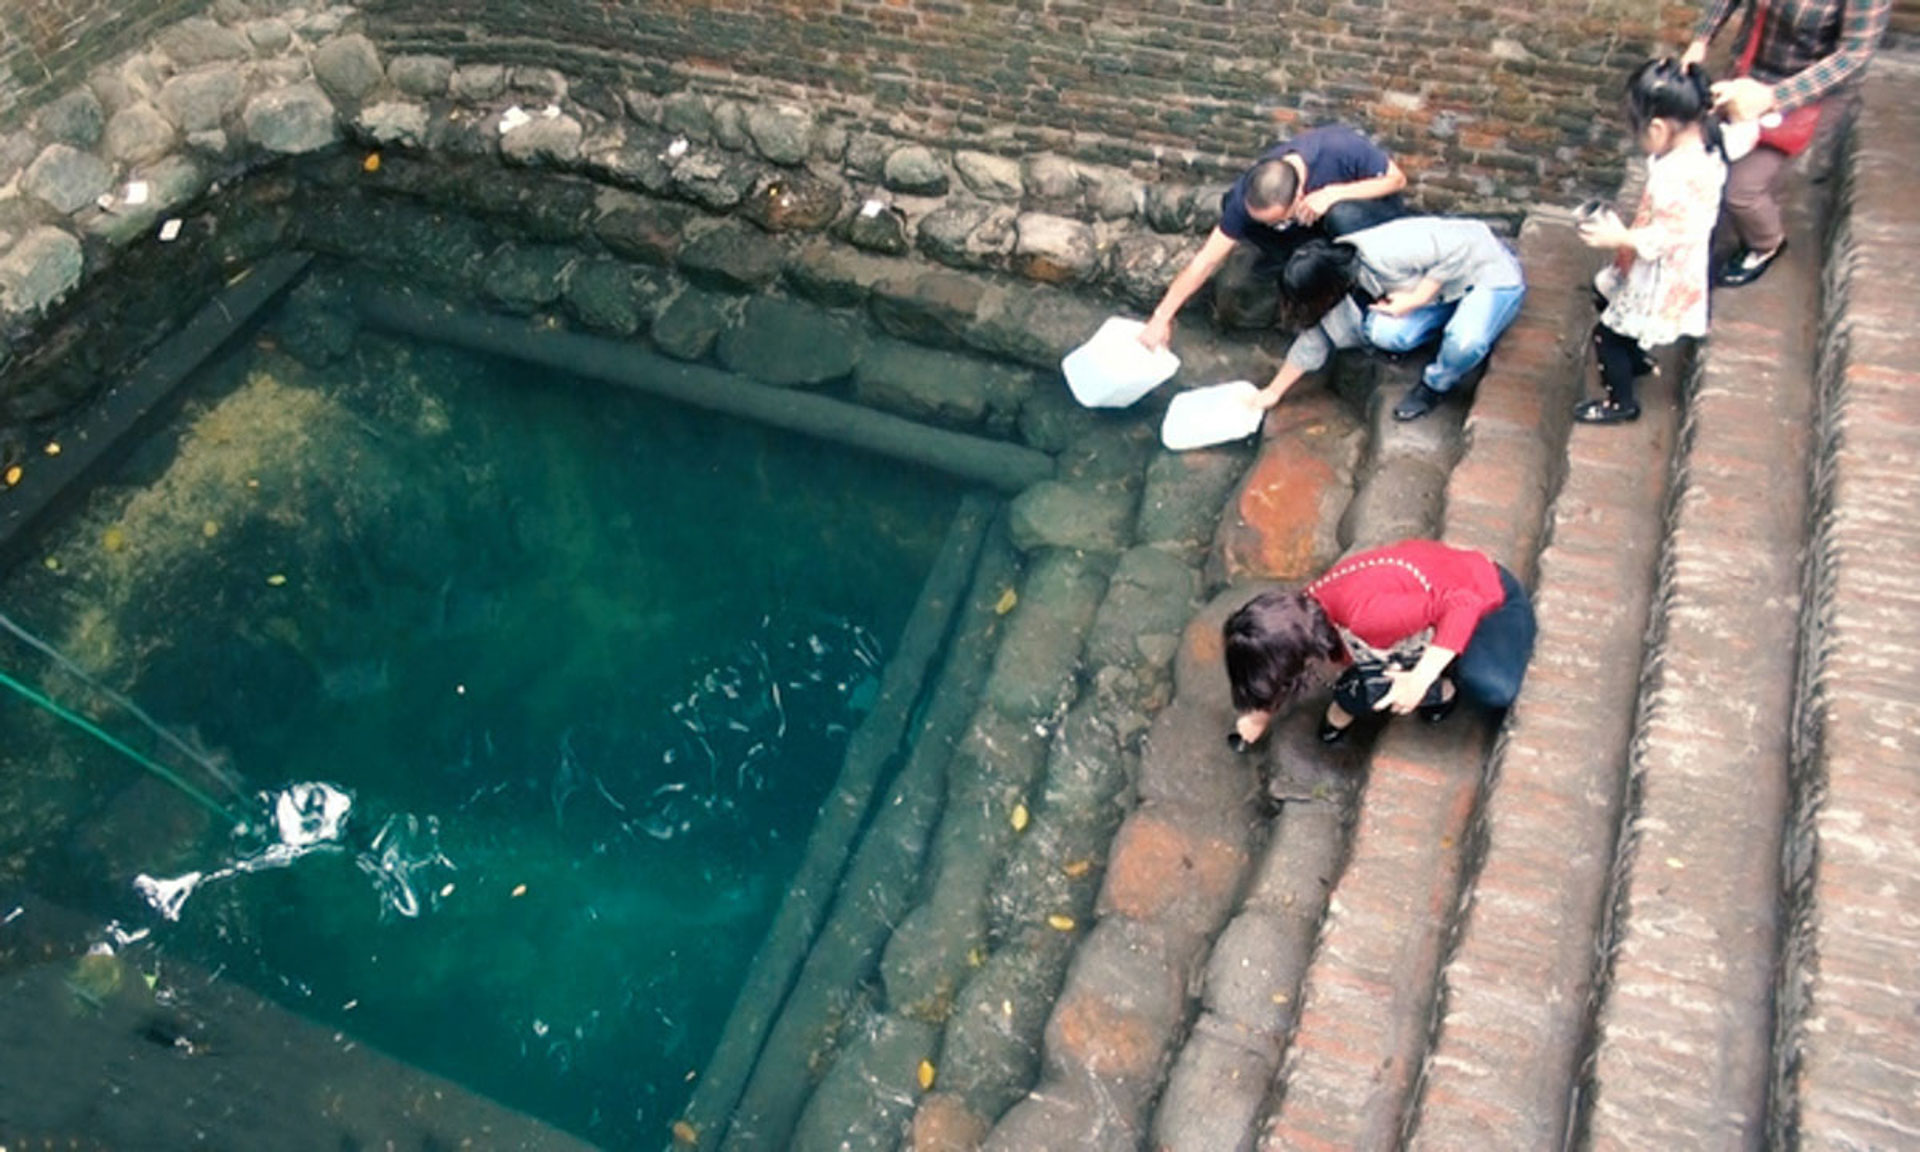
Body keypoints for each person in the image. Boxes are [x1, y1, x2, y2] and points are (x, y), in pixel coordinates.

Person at [1223, 539, 1536, 746]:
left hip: (1491, 597)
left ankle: (1446, 688)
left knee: (1493, 686)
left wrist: (1420, 679)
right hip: (1443, 580)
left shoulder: (1365, 618)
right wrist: (1258, 714)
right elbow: (1277, 662)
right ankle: (1438, 667)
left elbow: (1463, 603)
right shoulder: (1303, 609)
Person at [1138, 125, 1408, 351]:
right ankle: (1290, 265)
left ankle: (1353, 283)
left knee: (1341, 215)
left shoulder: (1339, 148)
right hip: (1308, 229)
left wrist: (1335, 194)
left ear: (1300, 195)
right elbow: (1205, 261)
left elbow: (1397, 180)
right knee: (1231, 208)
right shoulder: (1247, 195)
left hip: (1366, 217)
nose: (1275, 226)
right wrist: (1161, 316)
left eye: (1279, 219)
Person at [1681, 0, 1890, 286]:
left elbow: (1853, 55)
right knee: (1703, 153)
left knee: (1741, 191)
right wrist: (1701, 39)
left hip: (1808, 92)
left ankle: (1766, 244)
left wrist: (1774, 98)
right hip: (1751, 70)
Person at [1246, 216, 1527, 421]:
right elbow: (1315, 337)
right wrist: (1273, 391)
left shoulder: (1386, 250)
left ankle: (1435, 385)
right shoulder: (1339, 279)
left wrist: (1417, 299)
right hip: (1441, 295)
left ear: (1326, 287)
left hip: (1483, 274)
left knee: (1465, 342)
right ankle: (1447, 325)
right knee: (1384, 333)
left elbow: (1466, 243)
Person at [1574, 58, 1727, 424]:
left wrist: (1620, 236)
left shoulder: (1677, 173)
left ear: (1658, 128)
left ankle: (1620, 403)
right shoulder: (1710, 142)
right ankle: (1636, 358)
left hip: (1662, 270)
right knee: (1606, 293)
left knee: (1606, 336)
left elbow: (1671, 234)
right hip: (1664, 261)